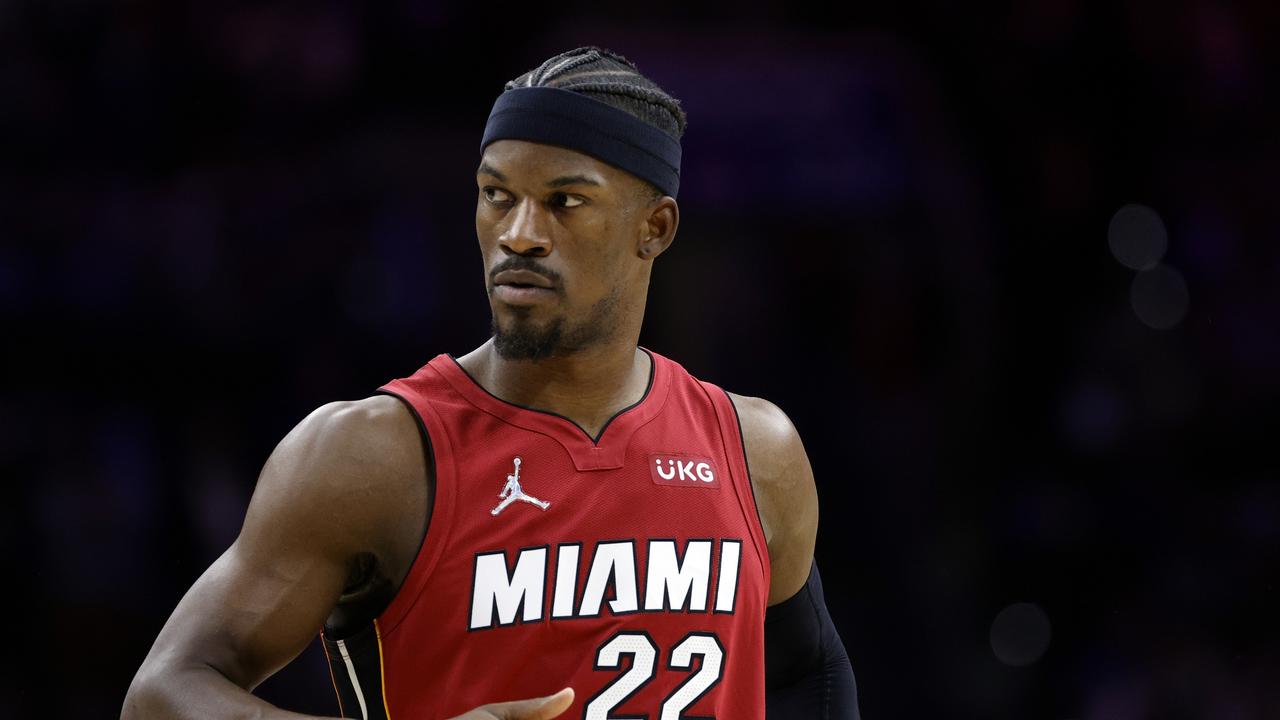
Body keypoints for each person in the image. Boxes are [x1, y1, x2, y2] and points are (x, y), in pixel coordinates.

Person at [122, 46, 860, 720]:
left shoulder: (755, 450)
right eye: (497, 195)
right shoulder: (374, 455)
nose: (519, 233)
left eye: (566, 202)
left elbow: (810, 674)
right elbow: (162, 693)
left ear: (656, 228)